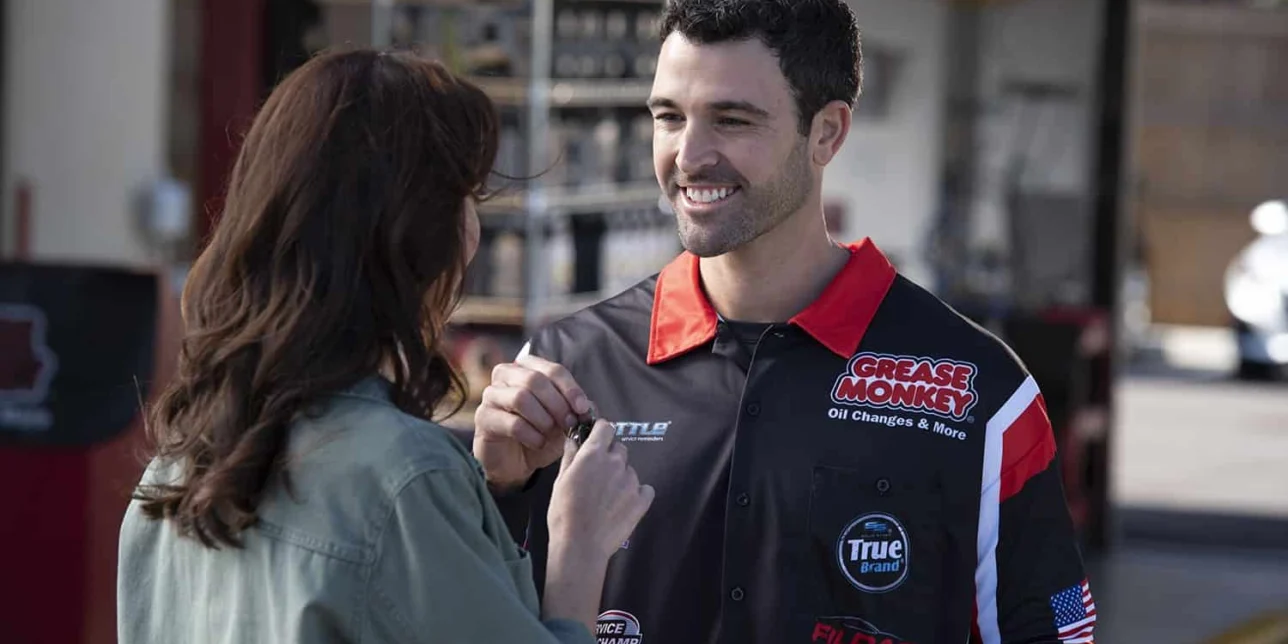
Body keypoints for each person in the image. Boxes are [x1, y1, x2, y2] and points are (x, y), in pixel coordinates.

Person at [472, 1, 1097, 643]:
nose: (688, 155)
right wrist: (499, 491)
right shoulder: (562, 367)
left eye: (731, 120)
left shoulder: (980, 389)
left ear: (827, 133)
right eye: (668, 118)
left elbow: (1054, 633)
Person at [116, 49, 654, 644]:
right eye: (467, 200)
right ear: (417, 237)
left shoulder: (172, 472)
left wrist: (492, 493)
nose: (473, 233)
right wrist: (579, 548)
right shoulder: (404, 476)